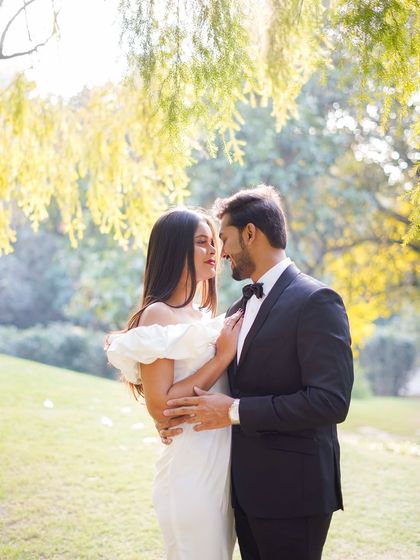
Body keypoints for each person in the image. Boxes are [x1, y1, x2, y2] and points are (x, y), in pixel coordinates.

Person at [161, 186, 354, 560]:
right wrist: (171, 415)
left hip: (294, 495)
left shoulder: (317, 300)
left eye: (226, 239)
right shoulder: (239, 305)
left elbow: (330, 402)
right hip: (244, 493)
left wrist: (234, 411)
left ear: (251, 233)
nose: (222, 252)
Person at [106, 208, 243, 560]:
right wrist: (221, 358)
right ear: (173, 249)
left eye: (214, 242)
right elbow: (161, 406)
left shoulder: (202, 315)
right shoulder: (158, 314)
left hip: (221, 467)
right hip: (190, 468)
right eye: (201, 242)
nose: (214, 250)